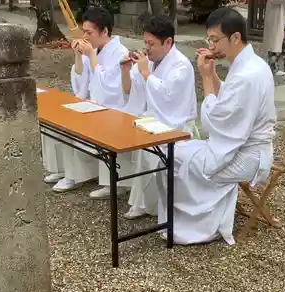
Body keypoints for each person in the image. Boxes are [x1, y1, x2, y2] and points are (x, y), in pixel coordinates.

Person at [156, 7, 276, 245]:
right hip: (238, 145)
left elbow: (215, 123)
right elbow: (229, 101)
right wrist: (212, 76)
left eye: (215, 40)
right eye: (208, 39)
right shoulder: (249, 63)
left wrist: (205, 77)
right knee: (171, 153)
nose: (211, 46)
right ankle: (183, 219)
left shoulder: (247, 74)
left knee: (172, 159)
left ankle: (199, 226)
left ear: (235, 37)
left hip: (247, 155)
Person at [41, 7, 133, 196]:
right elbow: (80, 84)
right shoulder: (96, 49)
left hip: (114, 107)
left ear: (105, 31)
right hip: (94, 103)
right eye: (84, 31)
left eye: (89, 32)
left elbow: (110, 89)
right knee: (60, 121)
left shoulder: (120, 52)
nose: (85, 36)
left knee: (75, 125)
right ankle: (68, 171)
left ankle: (104, 182)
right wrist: (78, 55)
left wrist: (91, 56)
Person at [120, 15, 197, 219]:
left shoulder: (182, 66)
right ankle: (143, 201)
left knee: (148, 148)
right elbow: (132, 92)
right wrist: (128, 70)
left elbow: (169, 98)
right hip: (155, 120)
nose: (147, 48)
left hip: (176, 124)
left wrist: (145, 74)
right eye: (145, 42)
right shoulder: (152, 61)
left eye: (151, 44)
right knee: (137, 137)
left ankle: (153, 204)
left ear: (168, 42)